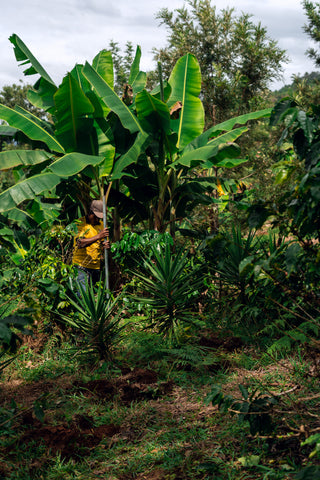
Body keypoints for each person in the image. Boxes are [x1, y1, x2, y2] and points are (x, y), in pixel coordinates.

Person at [72, 200, 110, 291]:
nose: (97, 220)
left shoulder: (101, 225)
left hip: (95, 266)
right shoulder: (80, 223)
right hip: (81, 266)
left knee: (95, 296)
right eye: (95, 217)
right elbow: (80, 243)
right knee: (83, 296)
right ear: (90, 213)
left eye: (99, 218)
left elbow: (104, 243)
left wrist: (106, 245)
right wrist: (99, 236)